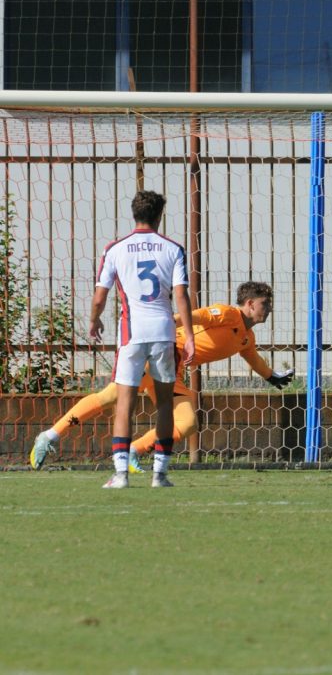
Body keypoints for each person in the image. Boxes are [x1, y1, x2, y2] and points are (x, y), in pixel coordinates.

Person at [29, 281, 293, 473]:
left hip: (173, 372)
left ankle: (132, 451)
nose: (268, 309)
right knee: (112, 396)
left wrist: (272, 377)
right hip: (159, 354)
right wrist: (160, 332)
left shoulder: (247, 338)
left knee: (187, 423)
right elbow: (192, 316)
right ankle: (49, 436)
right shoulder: (226, 313)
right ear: (250, 304)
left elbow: (254, 359)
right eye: (265, 304)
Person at [88, 190, 194, 488]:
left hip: (131, 334)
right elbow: (182, 296)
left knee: (125, 403)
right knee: (165, 404)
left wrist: (94, 319)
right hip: (163, 333)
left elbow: (100, 296)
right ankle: (160, 475)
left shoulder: (115, 249)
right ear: (160, 215)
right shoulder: (173, 249)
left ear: (134, 214)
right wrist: (189, 336)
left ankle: (121, 474)